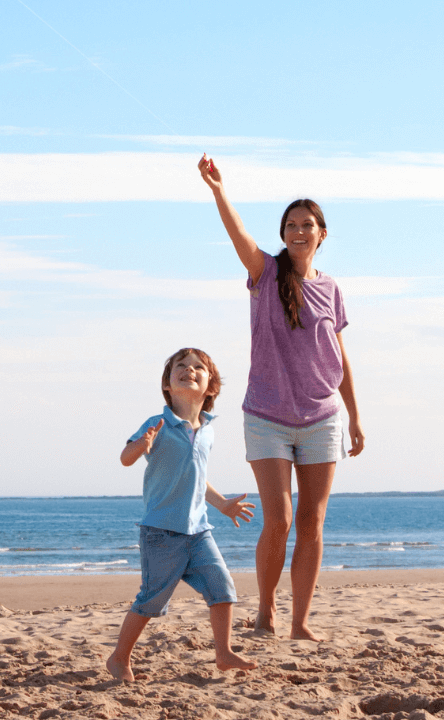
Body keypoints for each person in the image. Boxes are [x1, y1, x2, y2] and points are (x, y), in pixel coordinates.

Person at [198, 155, 364, 641]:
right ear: (284, 232)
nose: (298, 231)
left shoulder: (331, 288)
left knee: (312, 523)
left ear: (322, 234)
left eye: (307, 225)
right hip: (268, 416)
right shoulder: (266, 274)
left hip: (323, 416)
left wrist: (354, 416)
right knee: (281, 519)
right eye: (291, 225)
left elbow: (340, 355)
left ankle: (299, 622)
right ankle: (266, 610)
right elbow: (238, 234)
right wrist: (218, 189)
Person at [106, 348, 258, 683]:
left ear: (210, 388)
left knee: (222, 588)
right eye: (181, 366)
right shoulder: (157, 423)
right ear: (168, 384)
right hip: (162, 531)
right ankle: (119, 657)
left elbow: (197, 477)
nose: (189, 369)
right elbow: (125, 458)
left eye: (198, 367)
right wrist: (140, 445)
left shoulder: (207, 429)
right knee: (150, 601)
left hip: (199, 530)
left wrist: (223, 505)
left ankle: (223, 652)